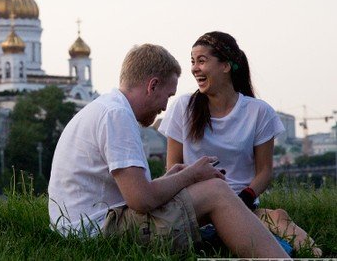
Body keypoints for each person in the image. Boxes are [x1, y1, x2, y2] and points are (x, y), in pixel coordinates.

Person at [48, 43, 289, 258]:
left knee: (205, 192)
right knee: (216, 191)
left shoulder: (107, 108)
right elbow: (141, 200)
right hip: (98, 231)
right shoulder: (117, 115)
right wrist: (191, 175)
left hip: (82, 226)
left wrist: (172, 177)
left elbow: (135, 193)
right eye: (168, 95)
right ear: (152, 85)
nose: (165, 107)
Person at [160, 31, 321, 257]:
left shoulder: (259, 112)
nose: (195, 68)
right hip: (194, 204)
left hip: (243, 203)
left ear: (226, 66)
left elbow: (264, 171)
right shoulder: (183, 107)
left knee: (276, 234)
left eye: (202, 61)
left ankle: (312, 252)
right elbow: (172, 168)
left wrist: (244, 198)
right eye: (193, 61)